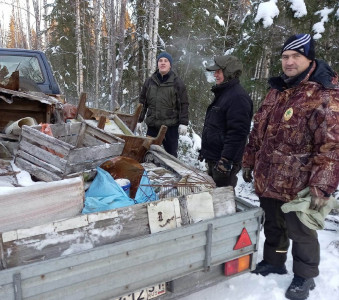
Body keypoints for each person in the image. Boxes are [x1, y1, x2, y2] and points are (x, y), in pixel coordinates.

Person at [242, 33, 339, 300]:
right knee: (273, 224)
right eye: (285, 56)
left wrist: (322, 184)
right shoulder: (278, 90)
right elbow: (258, 130)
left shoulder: (325, 93)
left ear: (309, 59)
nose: (289, 61)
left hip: (301, 182)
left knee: (301, 230)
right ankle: (274, 261)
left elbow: (332, 145)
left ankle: (305, 276)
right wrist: (249, 159)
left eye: (296, 56)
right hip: (270, 175)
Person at [199, 55, 253, 188]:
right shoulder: (224, 94)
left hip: (223, 164)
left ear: (229, 72)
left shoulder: (237, 97)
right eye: (214, 71)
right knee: (212, 199)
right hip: (214, 159)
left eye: (219, 71)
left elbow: (238, 134)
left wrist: (225, 161)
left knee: (223, 201)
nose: (215, 75)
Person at [137, 52, 189, 157]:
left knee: (171, 157)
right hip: (153, 126)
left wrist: (184, 122)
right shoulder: (149, 82)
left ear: (170, 65)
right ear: (157, 64)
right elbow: (143, 102)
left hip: (170, 128)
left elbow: (184, 104)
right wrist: (139, 120)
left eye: (166, 61)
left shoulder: (177, 82)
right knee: (147, 153)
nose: (163, 63)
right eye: (160, 61)